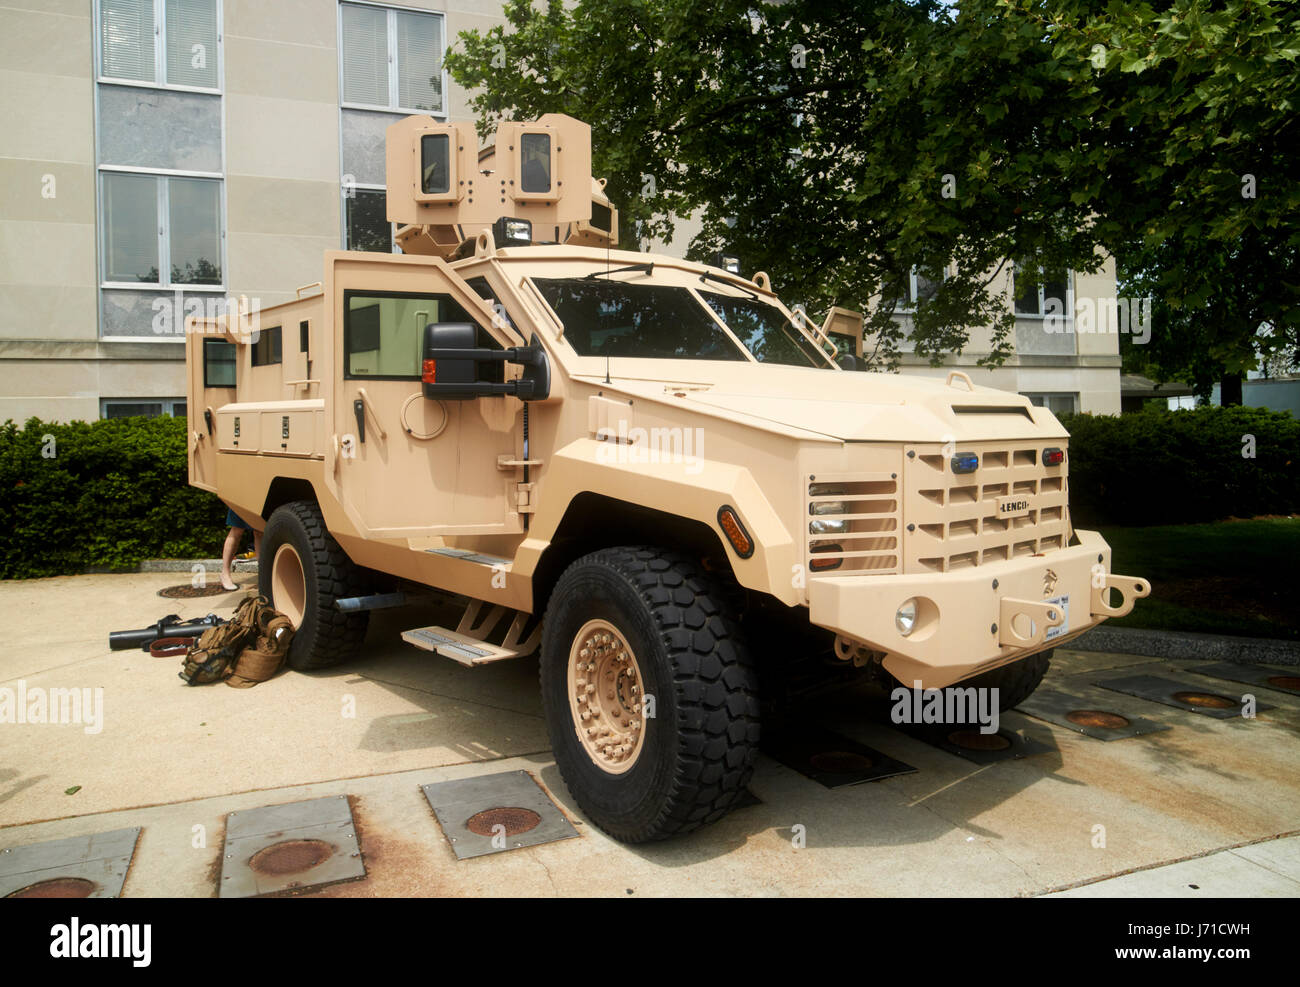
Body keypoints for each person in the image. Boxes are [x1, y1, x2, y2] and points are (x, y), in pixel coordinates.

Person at [220, 506, 261, 592]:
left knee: (259, 530)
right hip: (243, 497)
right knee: (237, 528)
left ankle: (263, 574)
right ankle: (225, 573)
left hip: (259, 496)